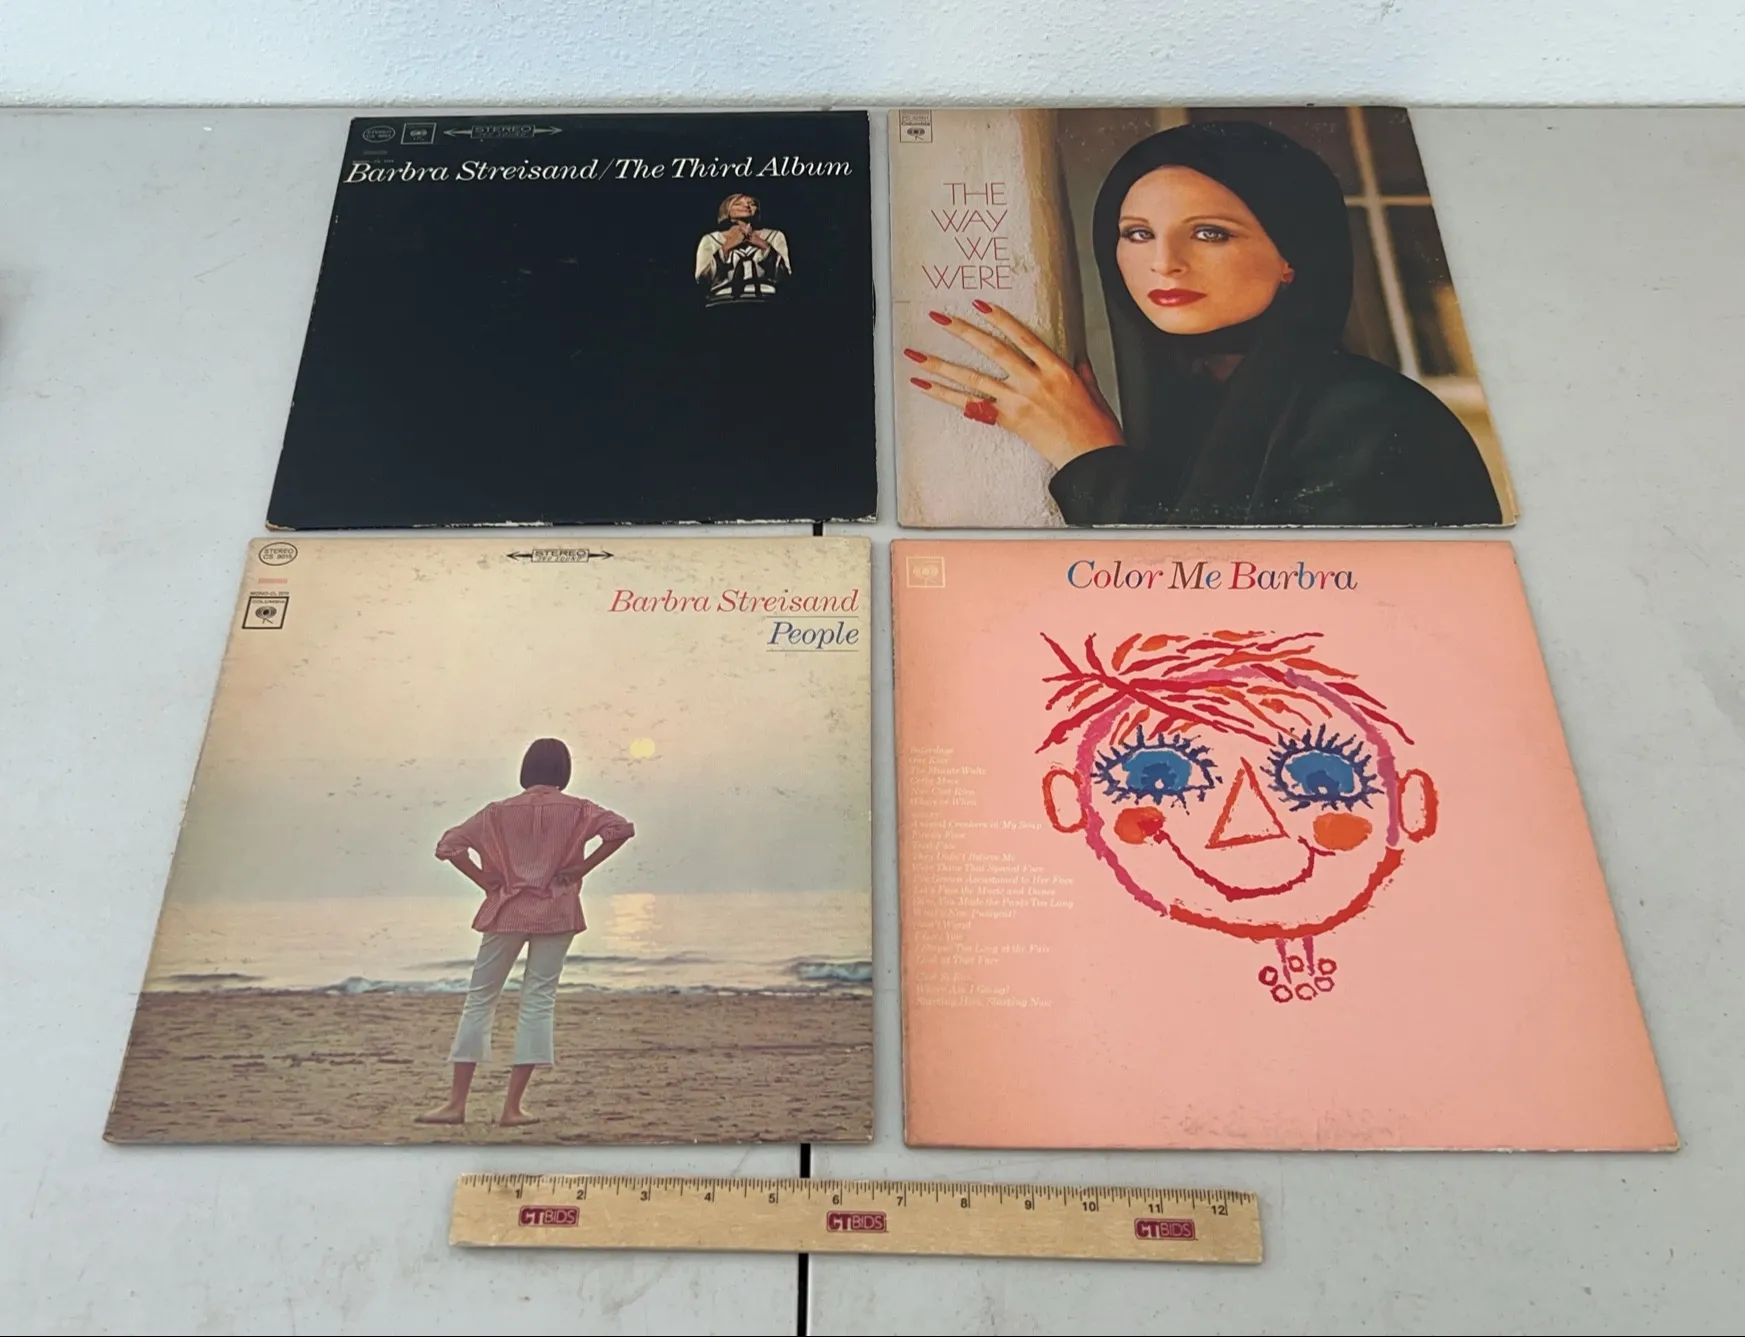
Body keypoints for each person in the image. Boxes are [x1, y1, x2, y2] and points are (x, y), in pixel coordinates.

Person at [903, 120, 1503, 526]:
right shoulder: (1185, 405)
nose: (1164, 262)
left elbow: (1239, 634)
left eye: (1211, 233)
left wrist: (1090, 459)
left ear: (1291, 256)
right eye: (1138, 233)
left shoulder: (1376, 419)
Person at [1037, 627, 1438, 1003]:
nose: (1249, 828)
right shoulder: (1097, 966)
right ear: (1072, 801)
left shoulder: (1411, 968)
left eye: (1321, 783)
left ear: (1410, 805)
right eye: (1159, 779)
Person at [416, 738, 634, 1127]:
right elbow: (621, 829)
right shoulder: (580, 810)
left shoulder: (496, 812)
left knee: (480, 1000)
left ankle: (455, 1104)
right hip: (557, 910)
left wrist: (482, 879)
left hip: (507, 909)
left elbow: (448, 846)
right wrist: (583, 868)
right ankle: (512, 1108)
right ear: (564, 770)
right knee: (538, 1000)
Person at [695, 193, 790, 305]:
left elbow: (784, 275)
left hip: (767, 301)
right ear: (727, 210)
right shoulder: (710, 240)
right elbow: (703, 279)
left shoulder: (775, 236)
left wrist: (762, 244)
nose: (746, 206)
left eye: (752, 204)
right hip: (722, 302)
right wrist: (727, 247)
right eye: (738, 204)